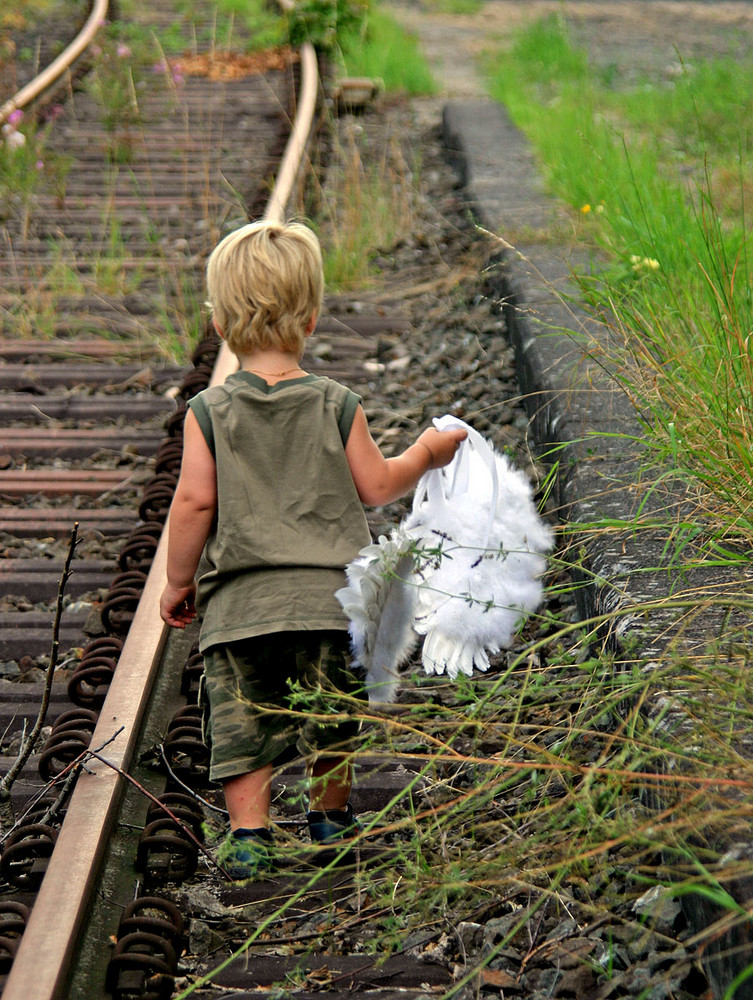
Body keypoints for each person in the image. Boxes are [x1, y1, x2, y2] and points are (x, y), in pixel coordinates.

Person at [159, 219, 467, 879]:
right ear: (313, 319)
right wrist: (428, 451)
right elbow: (377, 485)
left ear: (218, 324)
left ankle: (249, 834)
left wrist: (176, 581)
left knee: (244, 720)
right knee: (331, 715)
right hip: (331, 604)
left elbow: (192, 505)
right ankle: (329, 819)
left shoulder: (209, 413)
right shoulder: (335, 402)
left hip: (243, 608)